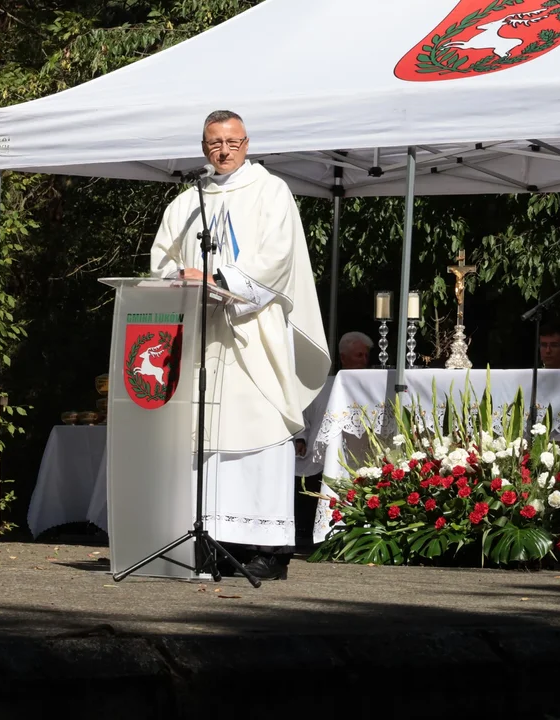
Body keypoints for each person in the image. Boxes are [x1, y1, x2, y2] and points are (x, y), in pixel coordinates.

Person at [150, 110, 330, 580]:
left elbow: (277, 257)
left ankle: (267, 547)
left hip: (253, 332)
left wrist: (219, 279)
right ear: (203, 146)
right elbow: (162, 261)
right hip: (202, 336)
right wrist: (180, 279)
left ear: (247, 143)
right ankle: (211, 537)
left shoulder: (271, 192)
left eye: (232, 141)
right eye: (214, 142)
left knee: (260, 430)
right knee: (206, 438)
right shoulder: (188, 202)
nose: (223, 150)